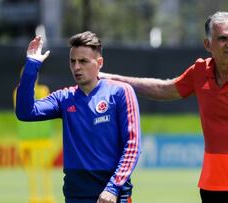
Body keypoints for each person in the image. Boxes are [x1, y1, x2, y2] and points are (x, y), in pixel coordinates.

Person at [99, 11, 228, 202]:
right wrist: (111, 79)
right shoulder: (199, 71)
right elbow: (164, 89)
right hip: (213, 185)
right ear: (208, 45)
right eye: (223, 38)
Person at [15, 31, 141, 203]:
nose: (76, 67)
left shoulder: (120, 92)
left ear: (99, 63)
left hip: (113, 194)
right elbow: (25, 112)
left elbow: (132, 146)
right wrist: (31, 65)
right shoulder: (64, 98)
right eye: (72, 61)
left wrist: (113, 187)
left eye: (83, 61)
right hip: (76, 194)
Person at [13, 72, 55, 203]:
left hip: (42, 136)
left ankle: (47, 196)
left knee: (45, 169)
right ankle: (34, 196)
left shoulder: (43, 90)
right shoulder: (18, 91)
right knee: (31, 171)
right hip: (27, 137)